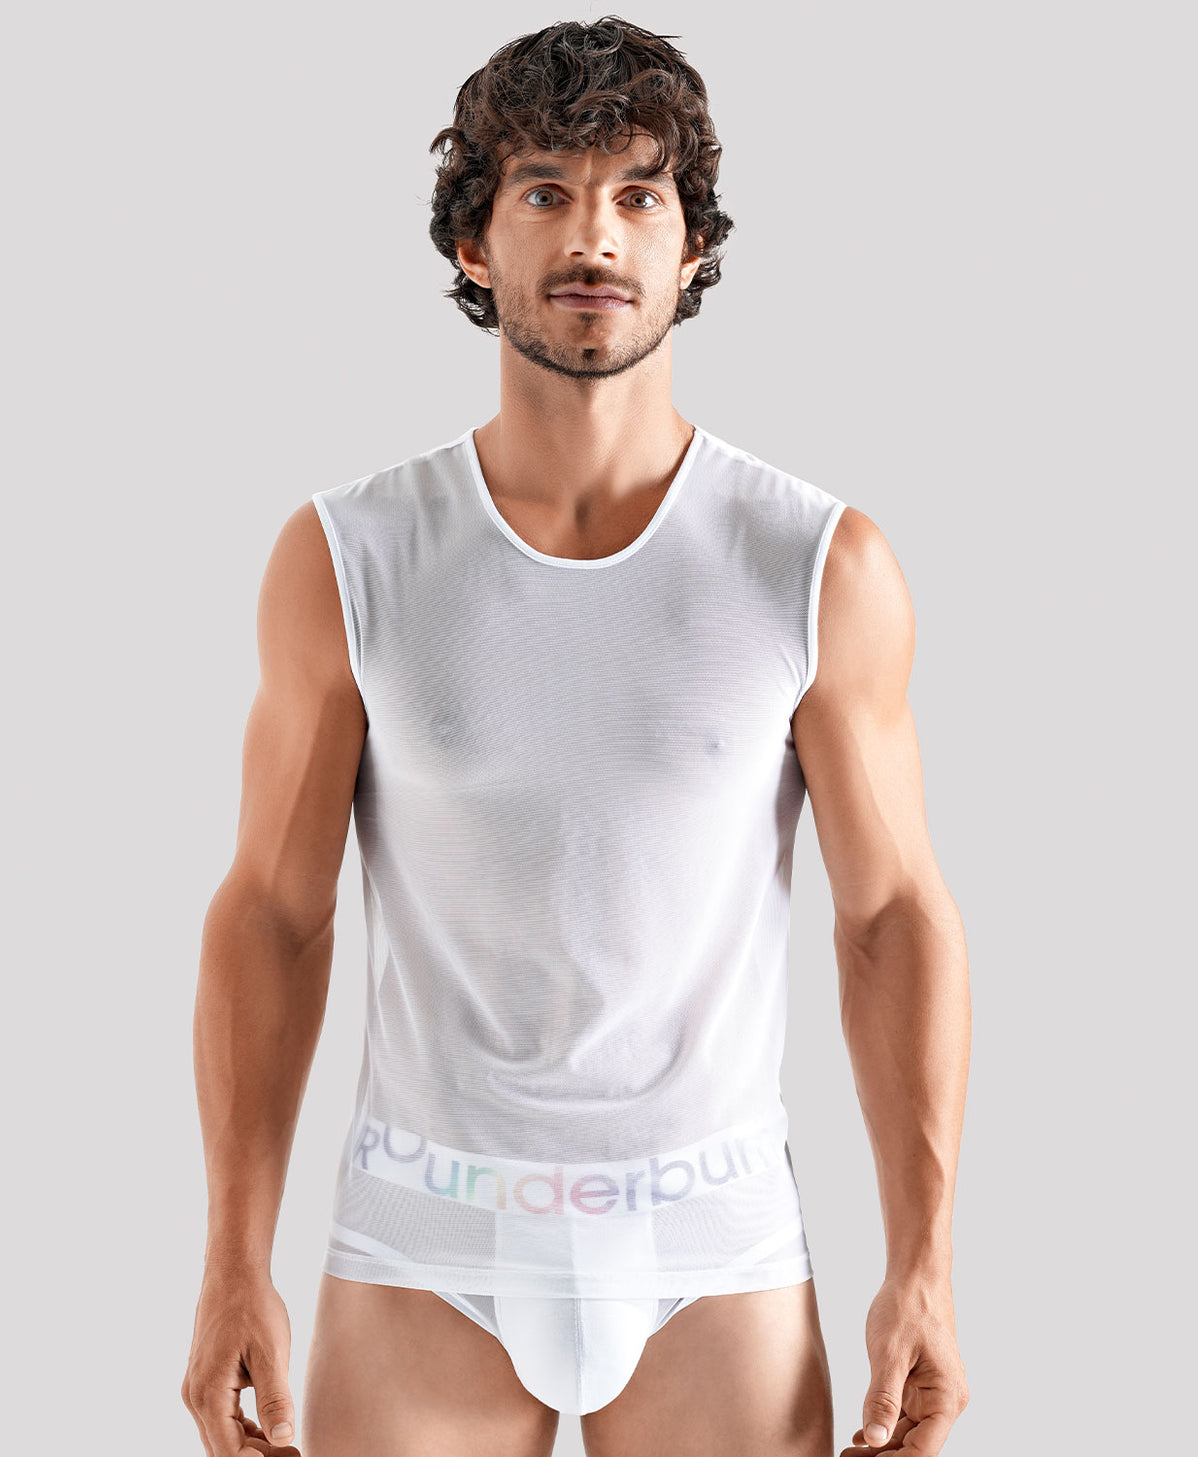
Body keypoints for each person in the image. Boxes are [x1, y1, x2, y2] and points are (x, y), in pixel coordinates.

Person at [181, 17, 970, 1457]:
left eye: (637, 195)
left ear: (691, 246)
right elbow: (275, 913)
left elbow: (891, 916)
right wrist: (235, 1255)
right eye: (544, 190)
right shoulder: (350, 555)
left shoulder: (814, 563)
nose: (593, 234)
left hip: (711, 1241)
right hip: (424, 1233)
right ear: (474, 244)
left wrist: (922, 1264)